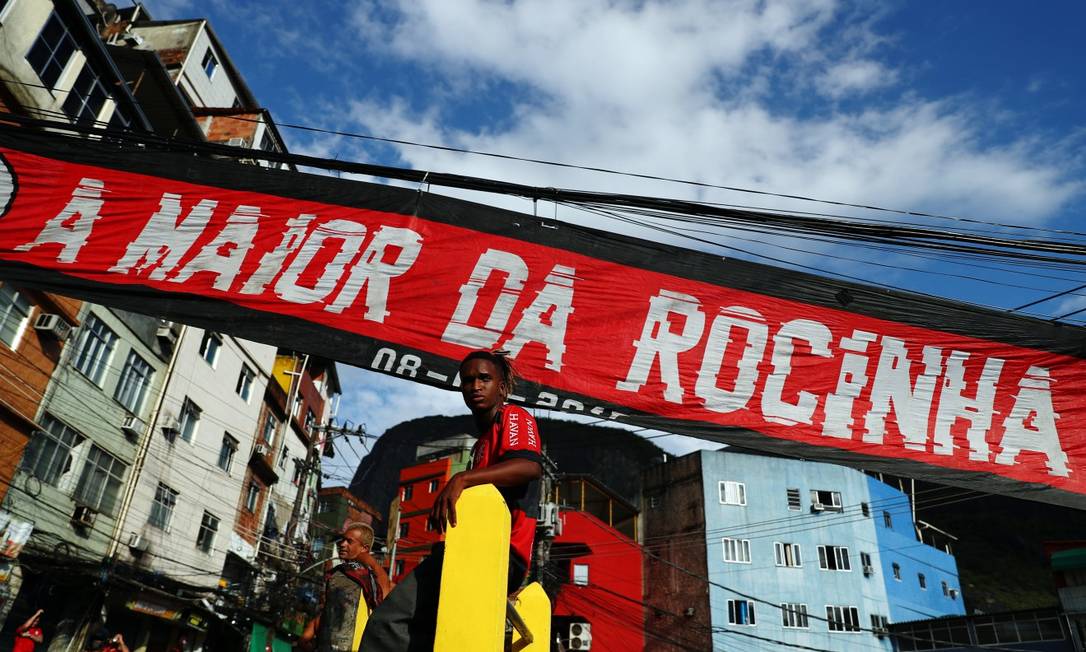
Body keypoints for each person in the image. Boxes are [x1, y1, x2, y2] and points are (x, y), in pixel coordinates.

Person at [360, 350, 543, 651]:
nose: (475, 386)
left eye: (485, 378)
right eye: (467, 380)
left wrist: (461, 479)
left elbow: (529, 466)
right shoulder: (480, 445)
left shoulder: (513, 416)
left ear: (502, 387)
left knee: (387, 623)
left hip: (499, 555)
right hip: (472, 550)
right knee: (427, 633)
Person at [302, 522, 391, 652]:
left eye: (349, 541)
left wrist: (367, 559)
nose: (342, 544)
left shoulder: (367, 575)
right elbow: (325, 610)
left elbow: (384, 593)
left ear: (364, 548)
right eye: (343, 540)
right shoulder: (334, 574)